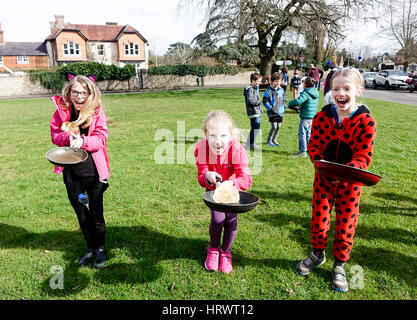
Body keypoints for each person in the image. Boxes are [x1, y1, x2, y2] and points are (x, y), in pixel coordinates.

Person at [295, 68, 377, 292]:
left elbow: (364, 154)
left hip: (350, 185)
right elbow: (314, 145)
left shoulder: (366, 122)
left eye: (346, 88)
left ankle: (339, 263)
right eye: (335, 88)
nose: (340, 93)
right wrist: (322, 166)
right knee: (319, 219)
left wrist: (346, 174)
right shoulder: (322, 117)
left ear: (358, 91)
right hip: (323, 181)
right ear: (330, 91)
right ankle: (317, 253)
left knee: (345, 224)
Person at [49, 74, 110, 269]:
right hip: (72, 174)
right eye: (75, 92)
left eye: (84, 92)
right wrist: (68, 138)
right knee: (81, 213)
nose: (80, 97)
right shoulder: (62, 112)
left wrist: (83, 141)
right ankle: (90, 248)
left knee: (95, 213)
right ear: (69, 92)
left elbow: (101, 138)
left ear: (90, 94)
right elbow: (55, 136)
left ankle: (100, 249)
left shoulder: (96, 112)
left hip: (93, 173)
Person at [194, 110, 252, 274]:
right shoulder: (202, 147)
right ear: (206, 134)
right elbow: (201, 177)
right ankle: (213, 250)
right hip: (213, 190)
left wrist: (231, 183)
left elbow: (246, 179)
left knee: (231, 221)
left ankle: (226, 253)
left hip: (233, 190)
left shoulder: (237, 149)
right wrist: (207, 176)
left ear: (231, 135)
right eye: (212, 135)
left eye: (223, 136)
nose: (218, 141)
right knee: (218, 219)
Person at [288, 77, 319, 157]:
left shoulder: (306, 93)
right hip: (312, 116)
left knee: (302, 134)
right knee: (309, 134)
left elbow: (298, 101)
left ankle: (302, 151)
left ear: (305, 85)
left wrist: (290, 103)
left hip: (305, 116)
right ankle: (309, 150)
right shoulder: (315, 92)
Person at [262, 72, 287, 147]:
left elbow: (283, 99)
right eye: (276, 81)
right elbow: (265, 101)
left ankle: (274, 140)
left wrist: (284, 106)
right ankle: (269, 140)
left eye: (279, 81)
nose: (278, 83)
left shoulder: (281, 90)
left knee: (278, 127)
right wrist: (270, 108)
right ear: (272, 81)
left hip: (280, 112)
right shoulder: (268, 91)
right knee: (274, 127)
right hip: (272, 112)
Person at [243, 72, 263, 151]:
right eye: (258, 81)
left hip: (257, 111)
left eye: (260, 81)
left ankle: (250, 144)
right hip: (253, 112)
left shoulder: (255, 88)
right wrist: (258, 102)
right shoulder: (249, 89)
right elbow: (250, 100)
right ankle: (250, 144)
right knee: (255, 128)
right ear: (253, 80)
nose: (259, 83)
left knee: (255, 128)